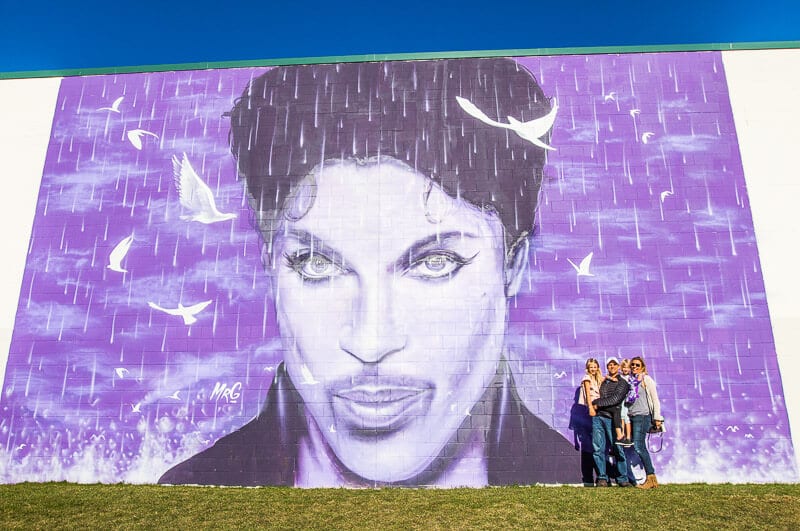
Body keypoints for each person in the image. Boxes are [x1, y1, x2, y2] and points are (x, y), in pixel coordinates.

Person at [158, 58, 580, 487]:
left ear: (512, 266)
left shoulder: (576, 485)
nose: (371, 342)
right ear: (270, 267)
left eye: (434, 264)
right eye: (316, 264)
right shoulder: (187, 491)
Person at [590, 357, 632, 487]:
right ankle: (602, 477)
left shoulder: (623, 383)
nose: (612, 367)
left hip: (612, 419)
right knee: (598, 449)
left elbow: (615, 400)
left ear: (618, 367)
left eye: (614, 364)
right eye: (609, 365)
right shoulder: (603, 381)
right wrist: (596, 404)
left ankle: (622, 478)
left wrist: (596, 404)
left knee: (617, 448)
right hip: (598, 418)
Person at [628, 356, 663, 489]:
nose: (634, 367)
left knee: (638, 446)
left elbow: (655, 399)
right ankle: (652, 480)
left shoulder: (646, 380)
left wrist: (657, 417)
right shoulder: (631, 381)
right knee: (638, 445)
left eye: (637, 365)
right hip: (632, 416)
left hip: (642, 416)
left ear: (642, 367)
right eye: (633, 365)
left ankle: (651, 476)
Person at [616, 359, 634, 447]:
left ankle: (628, 437)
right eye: (624, 367)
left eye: (627, 367)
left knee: (625, 417)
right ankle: (623, 435)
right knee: (621, 417)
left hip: (627, 399)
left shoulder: (630, 378)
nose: (625, 369)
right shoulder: (620, 377)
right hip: (621, 399)